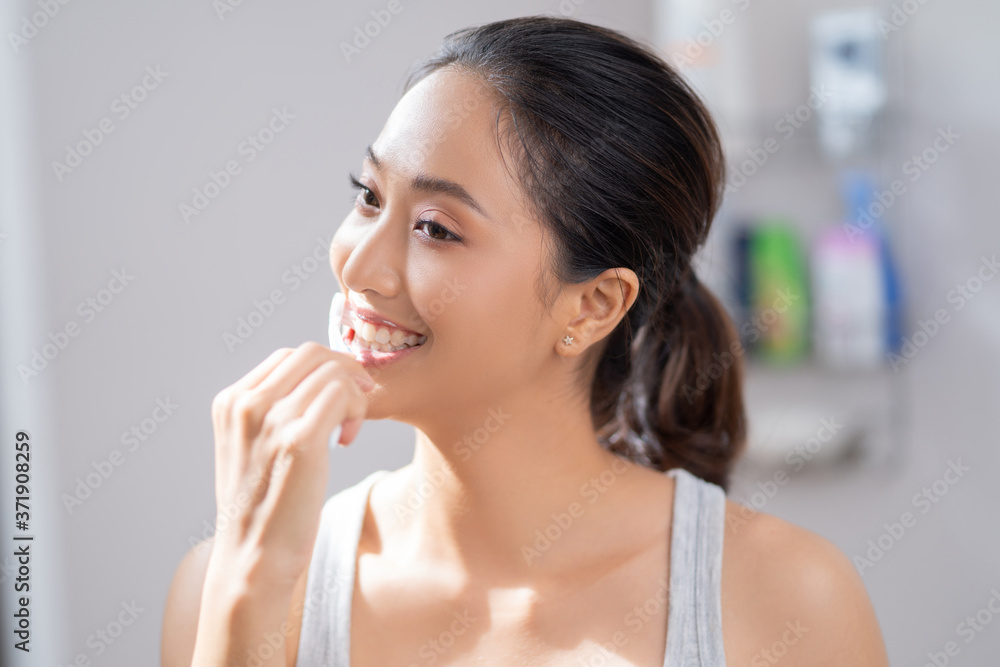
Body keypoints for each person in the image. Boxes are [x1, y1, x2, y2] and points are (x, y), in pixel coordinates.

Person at [162, 15, 889, 666]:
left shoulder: (786, 601)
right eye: (370, 196)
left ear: (594, 305)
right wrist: (250, 582)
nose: (360, 264)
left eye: (437, 229)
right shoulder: (231, 585)